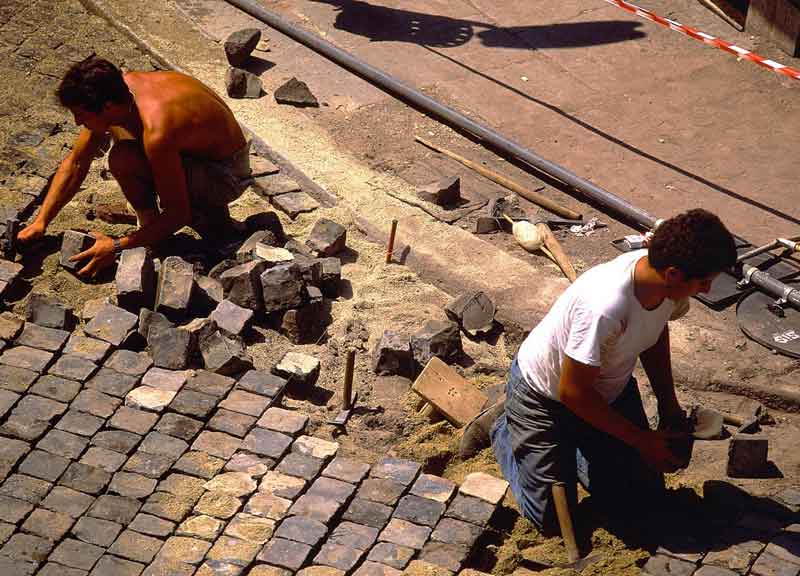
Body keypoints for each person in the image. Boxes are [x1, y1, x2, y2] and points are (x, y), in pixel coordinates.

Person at [461, 209, 736, 536]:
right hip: (545, 396)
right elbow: (572, 393)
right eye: (703, 281)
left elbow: (654, 332)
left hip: (605, 392)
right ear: (674, 273)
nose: (705, 290)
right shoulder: (604, 307)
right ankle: (504, 425)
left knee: (639, 500)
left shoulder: (666, 287)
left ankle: (576, 447)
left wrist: (668, 403)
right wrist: (641, 440)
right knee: (551, 519)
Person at [17, 57, 252, 276]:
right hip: (193, 152)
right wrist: (41, 221)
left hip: (227, 174)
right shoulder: (118, 90)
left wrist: (116, 245)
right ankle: (150, 226)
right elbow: (77, 162)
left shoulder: (157, 130)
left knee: (125, 157)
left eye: (81, 115)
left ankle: (201, 221)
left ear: (107, 106)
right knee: (123, 154)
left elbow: (178, 214)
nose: (78, 122)